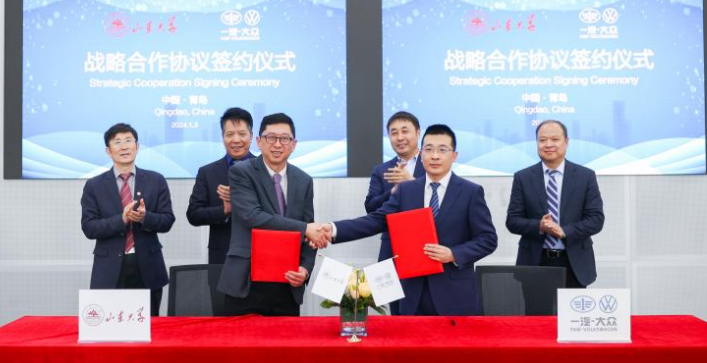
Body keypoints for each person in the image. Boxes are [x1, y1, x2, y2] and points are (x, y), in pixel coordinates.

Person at [327, 124, 497, 316]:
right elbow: (375, 220)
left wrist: (453, 254)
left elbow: (488, 239)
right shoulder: (405, 190)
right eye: (429, 149)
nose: (434, 156)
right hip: (412, 294)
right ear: (421, 154)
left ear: (454, 156)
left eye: (442, 150)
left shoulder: (470, 192)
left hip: (454, 294)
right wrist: (332, 229)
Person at [216, 113, 331, 316]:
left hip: (287, 282)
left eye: (284, 139)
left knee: (286, 337)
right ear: (259, 141)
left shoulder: (304, 180)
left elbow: (309, 233)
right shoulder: (241, 172)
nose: (277, 144)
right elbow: (253, 217)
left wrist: (304, 269)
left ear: (293, 144)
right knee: (240, 337)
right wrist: (306, 228)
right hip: (246, 281)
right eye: (271, 138)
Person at [81, 122, 175, 316]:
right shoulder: (94, 185)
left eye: (128, 141)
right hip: (109, 269)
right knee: (109, 327)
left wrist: (145, 217)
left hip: (147, 267)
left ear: (137, 147)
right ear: (108, 151)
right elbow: (89, 227)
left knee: (149, 326)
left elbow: (167, 220)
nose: (124, 147)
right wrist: (121, 220)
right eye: (117, 142)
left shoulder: (156, 180)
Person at [506, 120, 604, 288]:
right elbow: (513, 221)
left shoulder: (585, 176)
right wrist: (539, 226)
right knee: (537, 306)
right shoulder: (523, 177)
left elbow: (596, 220)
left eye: (555, 139)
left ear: (566, 141)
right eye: (542, 140)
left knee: (573, 306)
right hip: (535, 262)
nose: (548, 144)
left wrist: (564, 231)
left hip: (574, 263)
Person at [363, 111, 425, 314]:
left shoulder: (433, 164)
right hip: (392, 248)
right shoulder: (382, 170)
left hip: (426, 247)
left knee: (425, 309)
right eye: (394, 132)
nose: (400, 137)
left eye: (405, 131)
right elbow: (371, 207)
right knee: (396, 310)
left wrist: (412, 184)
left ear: (418, 133)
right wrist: (393, 192)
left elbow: (442, 201)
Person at [186, 107, 254, 265]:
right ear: (223, 137)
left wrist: (243, 201)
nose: (236, 140)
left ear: (251, 136)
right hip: (222, 257)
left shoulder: (264, 169)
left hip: (260, 254)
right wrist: (225, 210)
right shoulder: (207, 172)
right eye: (230, 134)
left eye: (242, 134)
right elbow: (193, 214)